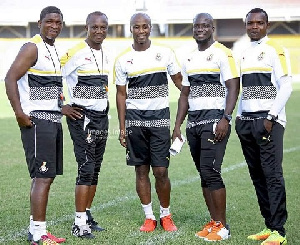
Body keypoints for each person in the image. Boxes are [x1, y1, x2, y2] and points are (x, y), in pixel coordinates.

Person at [172, 13, 240, 241]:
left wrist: (226, 118)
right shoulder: (189, 58)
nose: (200, 29)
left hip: (214, 121)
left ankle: (223, 227)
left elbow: (233, 87)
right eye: (196, 26)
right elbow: (185, 94)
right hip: (194, 123)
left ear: (212, 28)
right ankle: (214, 222)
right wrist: (178, 125)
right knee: (203, 174)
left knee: (211, 171)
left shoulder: (223, 53)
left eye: (204, 26)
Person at [4, 6, 67, 245]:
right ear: (39, 23)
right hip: (37, 121)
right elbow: (10, 77)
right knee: (42, 177)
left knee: (47, 176)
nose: (54, 26)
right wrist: (19, 113)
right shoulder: (32, 47)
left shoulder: (52, 49)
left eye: (58, 22)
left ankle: (37, 229)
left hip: (51, 119)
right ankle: (39, 234)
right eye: (49, 21)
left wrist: (62, 107)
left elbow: (47, 88)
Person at [115, 12, 182, 232]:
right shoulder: (123, 59)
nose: (141, 31)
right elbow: (121, 95)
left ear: (151, 28)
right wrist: (123, 127)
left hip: (160, 120)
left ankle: (166, 215)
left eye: (145, 27)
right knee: (141, 171)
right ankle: (149, 217)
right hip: (135, 122)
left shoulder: (165, 53)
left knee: (161, 171)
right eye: (136, 27)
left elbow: (181, 83)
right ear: (131, 29)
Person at [235, 8, 292, 245]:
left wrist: (270, 117)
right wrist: (238, 117)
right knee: (257, 176)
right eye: (250, 23)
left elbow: (286, 86)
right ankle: (269, 226)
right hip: (247, 122)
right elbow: (243, 90)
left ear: (267, 25)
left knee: (272, 175)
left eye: (259, 23)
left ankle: (279, 230)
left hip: (268, 121)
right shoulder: (244, 52)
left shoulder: (275, 50)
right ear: (246, 25)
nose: (254, 27)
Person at [60, 11, 110, 239]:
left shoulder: (104, 54)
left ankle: (87, 214)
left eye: (103, 27)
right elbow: (53, 75)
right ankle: (79, 223)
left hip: (102, 116)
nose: (99, 31)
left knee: (96, 167)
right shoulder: (75, 52)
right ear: (86, 27)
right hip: (83, 118)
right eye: (95, 27)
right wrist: (62, 106)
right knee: (87, 166)